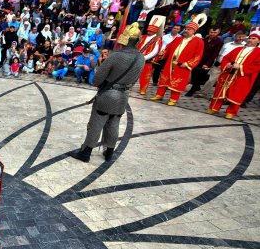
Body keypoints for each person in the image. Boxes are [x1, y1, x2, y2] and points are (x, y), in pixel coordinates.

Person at [70, 23, 144, 163]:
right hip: (123, 95)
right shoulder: (141, 58)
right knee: (114, 123)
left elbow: (96, 80)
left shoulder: (116, 56)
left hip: (108, 94)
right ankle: (109, 152)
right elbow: (134, 80)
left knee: (96, 123)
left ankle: (86, 152)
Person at [151, 15, 206, 105]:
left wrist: (188, 64)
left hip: (182, 65)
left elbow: (198, 56)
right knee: (165, 79)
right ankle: (159, 95)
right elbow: (168, 48)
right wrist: (163, 53)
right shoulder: (178, 38)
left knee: (177, 82)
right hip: (170, 63)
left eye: (189, 29)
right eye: (186, 29)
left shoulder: (199, 41)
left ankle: (173, 99)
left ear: (194, 31)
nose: (186, 31)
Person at [207, 28, 259, 118]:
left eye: (253, 38)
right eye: (250, 38)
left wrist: (241, 67)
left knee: (237, 94)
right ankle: (214, 107)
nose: (250, 40)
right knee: (220, 91)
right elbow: (226, 57)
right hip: (229, 74)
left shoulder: (258, 52)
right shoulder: (238, 48)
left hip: (242, 76)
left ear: (258, 41)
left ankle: (231, 112)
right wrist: (226, 64)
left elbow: (257, 66)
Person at [186, 27, 223, 97]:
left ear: (218, 33)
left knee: (200, 76)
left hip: (208, 61)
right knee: (194, 73)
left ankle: (192, 89)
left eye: (215, 33)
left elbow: (215, 54)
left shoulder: (219, 42)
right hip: (198, 59)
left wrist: (207, 64)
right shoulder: (204, 39)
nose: (212, 34)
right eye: (211, 32)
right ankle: (196, 87)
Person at [137, 16, 164, 95]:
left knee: (145, 76)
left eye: (150, 31)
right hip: (138, 56)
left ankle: (143, 89)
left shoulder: (157, 39)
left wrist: (144, 58)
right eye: (148, 30)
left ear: (155, 31)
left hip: (147, 60)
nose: (148, 32)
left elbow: (155, 51)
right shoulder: (143, 36)